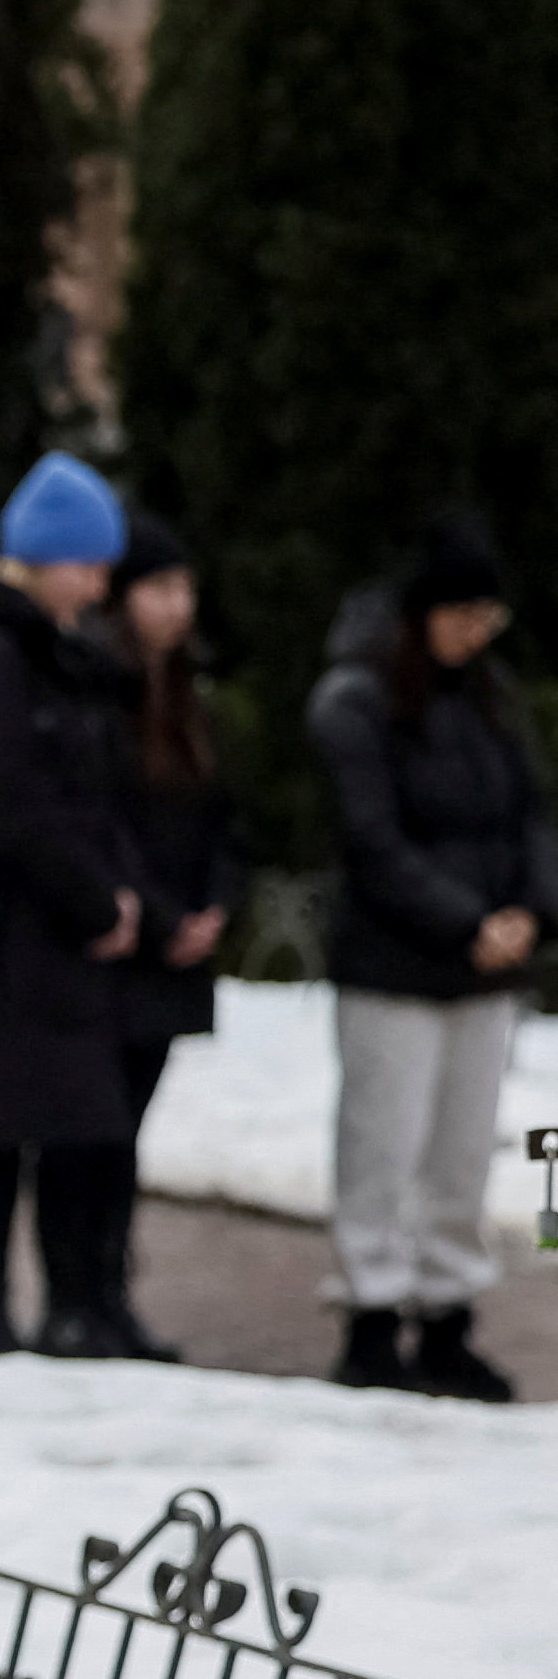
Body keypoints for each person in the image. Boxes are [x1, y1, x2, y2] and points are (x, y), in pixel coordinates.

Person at [307, 509, 558, 1400]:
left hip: (482, 971)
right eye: (460, 615)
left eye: (487, 619)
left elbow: (529, 811)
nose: (474, 633)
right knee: (383, 1142)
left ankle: (449, 1314)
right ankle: (371, 1315)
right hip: (394, 966)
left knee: (461, 1149)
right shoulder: (358, 700)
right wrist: (463, 920)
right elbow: (372, 842)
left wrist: (529, 907)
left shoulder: (489, 696)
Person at [0, 452, 145, 1357]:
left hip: (45, 938)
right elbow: (3, 796)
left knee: (56, 1128)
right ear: (41, 559)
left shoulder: (49, 654)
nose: (96, 585)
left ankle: (64, 1312)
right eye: (84, 564)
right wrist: (92, 899)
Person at [97, 512, 241, 1362]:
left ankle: (112, 1295)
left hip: (175, 951)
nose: (176, 606)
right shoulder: (99, 695)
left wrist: (214, 907)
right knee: (93, 1134)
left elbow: (224, 822)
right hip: (116, 946)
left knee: (127, 1131)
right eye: (157, 588)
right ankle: (85, 1293)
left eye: (184, 588)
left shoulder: (192, 699)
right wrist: (151, 913)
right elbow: (99, 819)